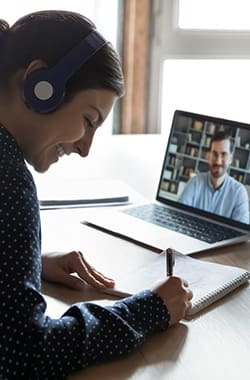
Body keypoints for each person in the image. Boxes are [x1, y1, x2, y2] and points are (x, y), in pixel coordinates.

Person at [0, 10, 193, 379]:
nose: (85, 148)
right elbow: (26, 355)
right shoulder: (8, 180)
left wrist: (25, 265)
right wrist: (149, 309)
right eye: (89, 120)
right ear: (39, 85)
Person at [179, 131, 249, 223]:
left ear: (230, 159)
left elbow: (241, 231)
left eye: (223, 154)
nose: (218, 161)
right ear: (208, 156)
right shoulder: (194, 183)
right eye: (214, 154)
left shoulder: (239, 192)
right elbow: (179, 216)